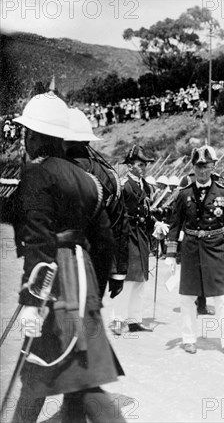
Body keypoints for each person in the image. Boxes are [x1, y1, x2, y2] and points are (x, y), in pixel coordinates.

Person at [11, 92, 125, 422]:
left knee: (39, 377)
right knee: (79, 378)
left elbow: (39, 241)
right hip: (84, 279)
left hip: (55, 281)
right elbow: (104, 243)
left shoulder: (37, 174)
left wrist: (33, 299)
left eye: (27, 134)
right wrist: (95, 294)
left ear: (33, 137)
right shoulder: (90, 181)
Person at [165, 146, 224, 357]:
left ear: (213, 167)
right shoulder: (184, 194)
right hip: (191, 249)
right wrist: (171, 254)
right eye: (198, 167)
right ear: (193, 168)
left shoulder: (223, 194)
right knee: (188, 296)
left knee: (223, 297)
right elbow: (174, 224)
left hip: (216, 248)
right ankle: (189, 339)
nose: (202, 171)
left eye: (206, 166)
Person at [62, 108, 129, 302]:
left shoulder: (53, 171)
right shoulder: (110, 176)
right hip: (96, 268)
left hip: (60, 263)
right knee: (88, 321)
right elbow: (120, 227)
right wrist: (117, 273)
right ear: (88, 140)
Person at [111, 145, 155, 335]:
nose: (143, 167)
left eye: (145, 164)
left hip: (141, 235)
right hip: (127, 234)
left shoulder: (145, 186)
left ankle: (134, 319)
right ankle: (117, 320)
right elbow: (115, 213)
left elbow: (146, 212)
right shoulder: (122, 185)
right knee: (127, 279)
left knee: (140, 279)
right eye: (139, 164)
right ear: (129, 166)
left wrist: (156, 224)